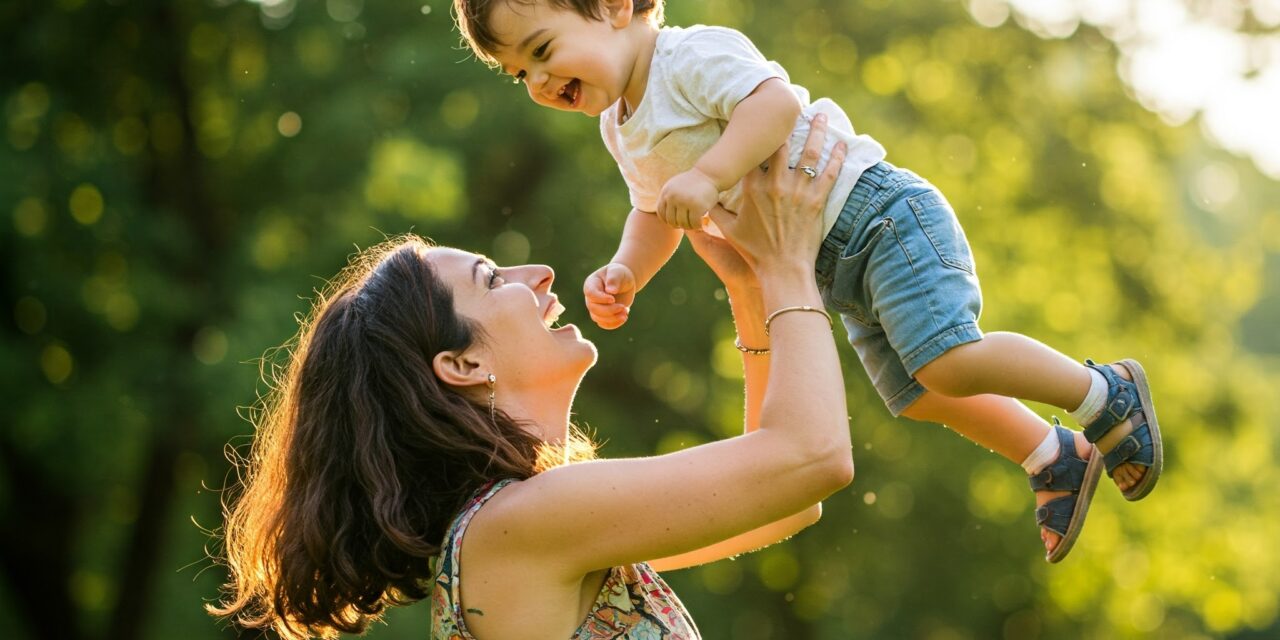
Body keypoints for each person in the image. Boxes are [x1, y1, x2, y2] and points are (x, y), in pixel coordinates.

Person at [451, 0, 1164, 562]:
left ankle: (1104, 393)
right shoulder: (619, 125)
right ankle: (1051, 455)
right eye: (520, 74)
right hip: (826, 267)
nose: (540, 82)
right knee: (917, 394)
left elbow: (777, 106)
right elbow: (654, 212)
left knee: (948, 357)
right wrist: (627, 269)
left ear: (612, 5)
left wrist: (709, 174)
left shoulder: (688, 56)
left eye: (542, 50)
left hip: (876, 217)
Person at [208, 127, 854, 638]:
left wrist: (749, 285)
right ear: (462, 366)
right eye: (493, 280)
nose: (540, 273)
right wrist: (786, 262)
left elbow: (789, 500)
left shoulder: (528, 517)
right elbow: (811, 459)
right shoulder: (526, 520)